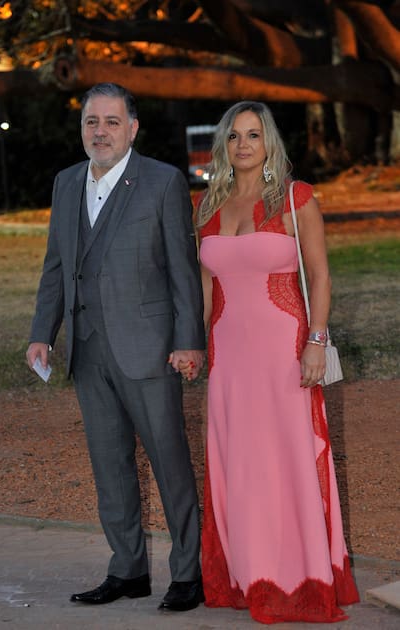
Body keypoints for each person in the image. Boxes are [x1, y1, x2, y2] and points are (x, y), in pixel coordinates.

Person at [26, 82, 206, 612]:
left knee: (170, 465)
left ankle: (187, 574)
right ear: (81, 127)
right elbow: (56, 266)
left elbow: (183, 271)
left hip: (149, 350)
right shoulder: (64, 183)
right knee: (110, 468)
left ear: (132, 128)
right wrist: (43, 331)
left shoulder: (162, 181)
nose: (99, 131)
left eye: (110, 121)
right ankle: (126, 569)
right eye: (91, 121)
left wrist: (188, 341)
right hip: (88, 351)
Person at [193, 101, 360, 624]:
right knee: (239, 464)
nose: (244, 145)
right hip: (229, 359)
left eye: (254, 135)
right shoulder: (205, 205)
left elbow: (321, 276)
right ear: (224, 145)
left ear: (269, 143)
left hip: (283, 353)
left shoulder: (295, 197)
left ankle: (299, 577)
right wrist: (197, 348)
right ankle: (250, 573)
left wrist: (316, 340)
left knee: (286, 461)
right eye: (235, 137)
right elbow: (206, 286)